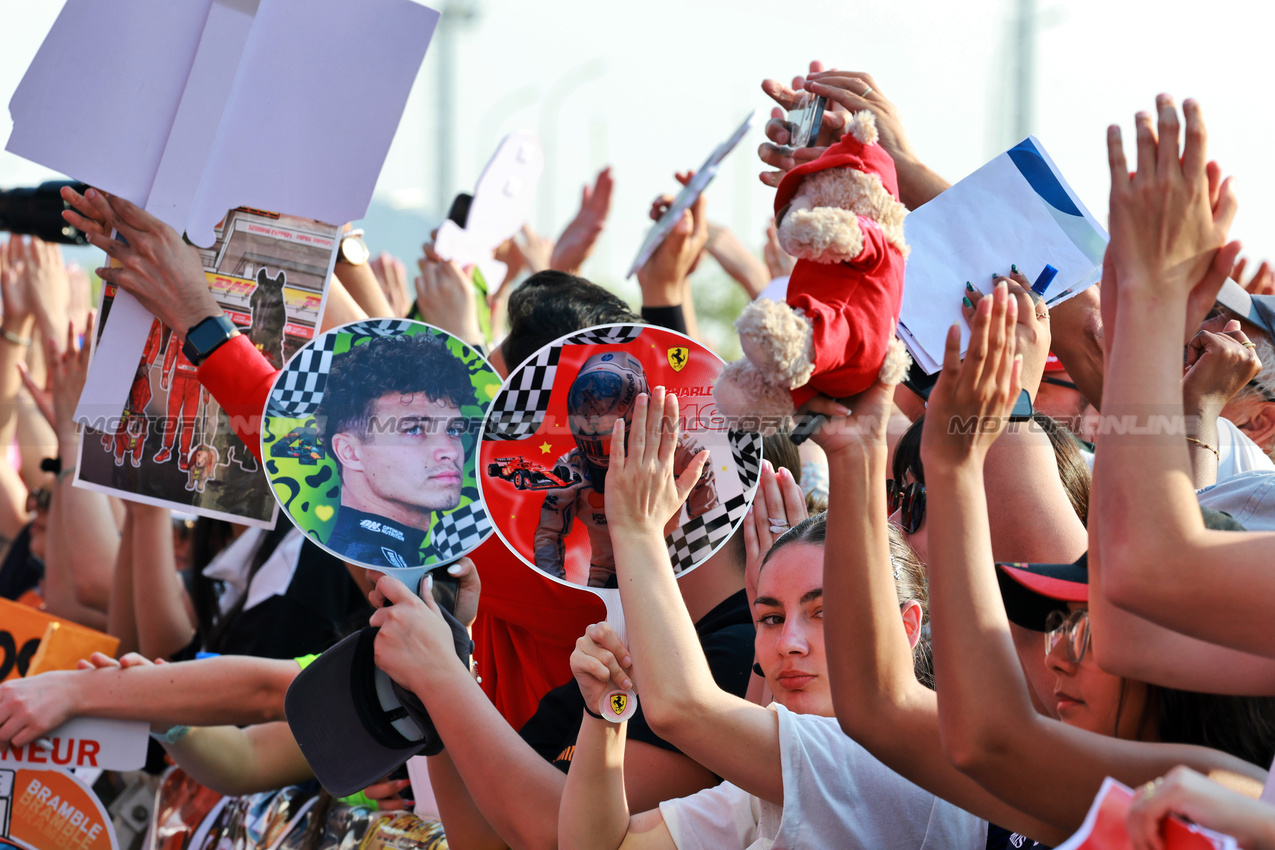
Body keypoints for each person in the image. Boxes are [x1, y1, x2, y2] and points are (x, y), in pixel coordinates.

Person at [557, 387, 986, 849]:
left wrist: (637, 527)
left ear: (906, 627)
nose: (789, 643)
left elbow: (680, 709)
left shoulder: (894, 754)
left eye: (824, 612)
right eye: (770, 618)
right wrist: (607, 710)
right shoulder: (784, 773)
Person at [535, 351, 717, 586]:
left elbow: (711, 527)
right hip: (608, 578)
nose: (607, 456)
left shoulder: (687, 455)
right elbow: (548, 535)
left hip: (672, 572)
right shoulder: (570, 468)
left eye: (614, 440)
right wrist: (559, 591)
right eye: (595, 443)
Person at [314, 332, 478, 569]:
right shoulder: (354, 566)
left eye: (453, 430)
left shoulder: (397, 558)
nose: (450, 453)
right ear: (349, 452)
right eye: (413, 430)